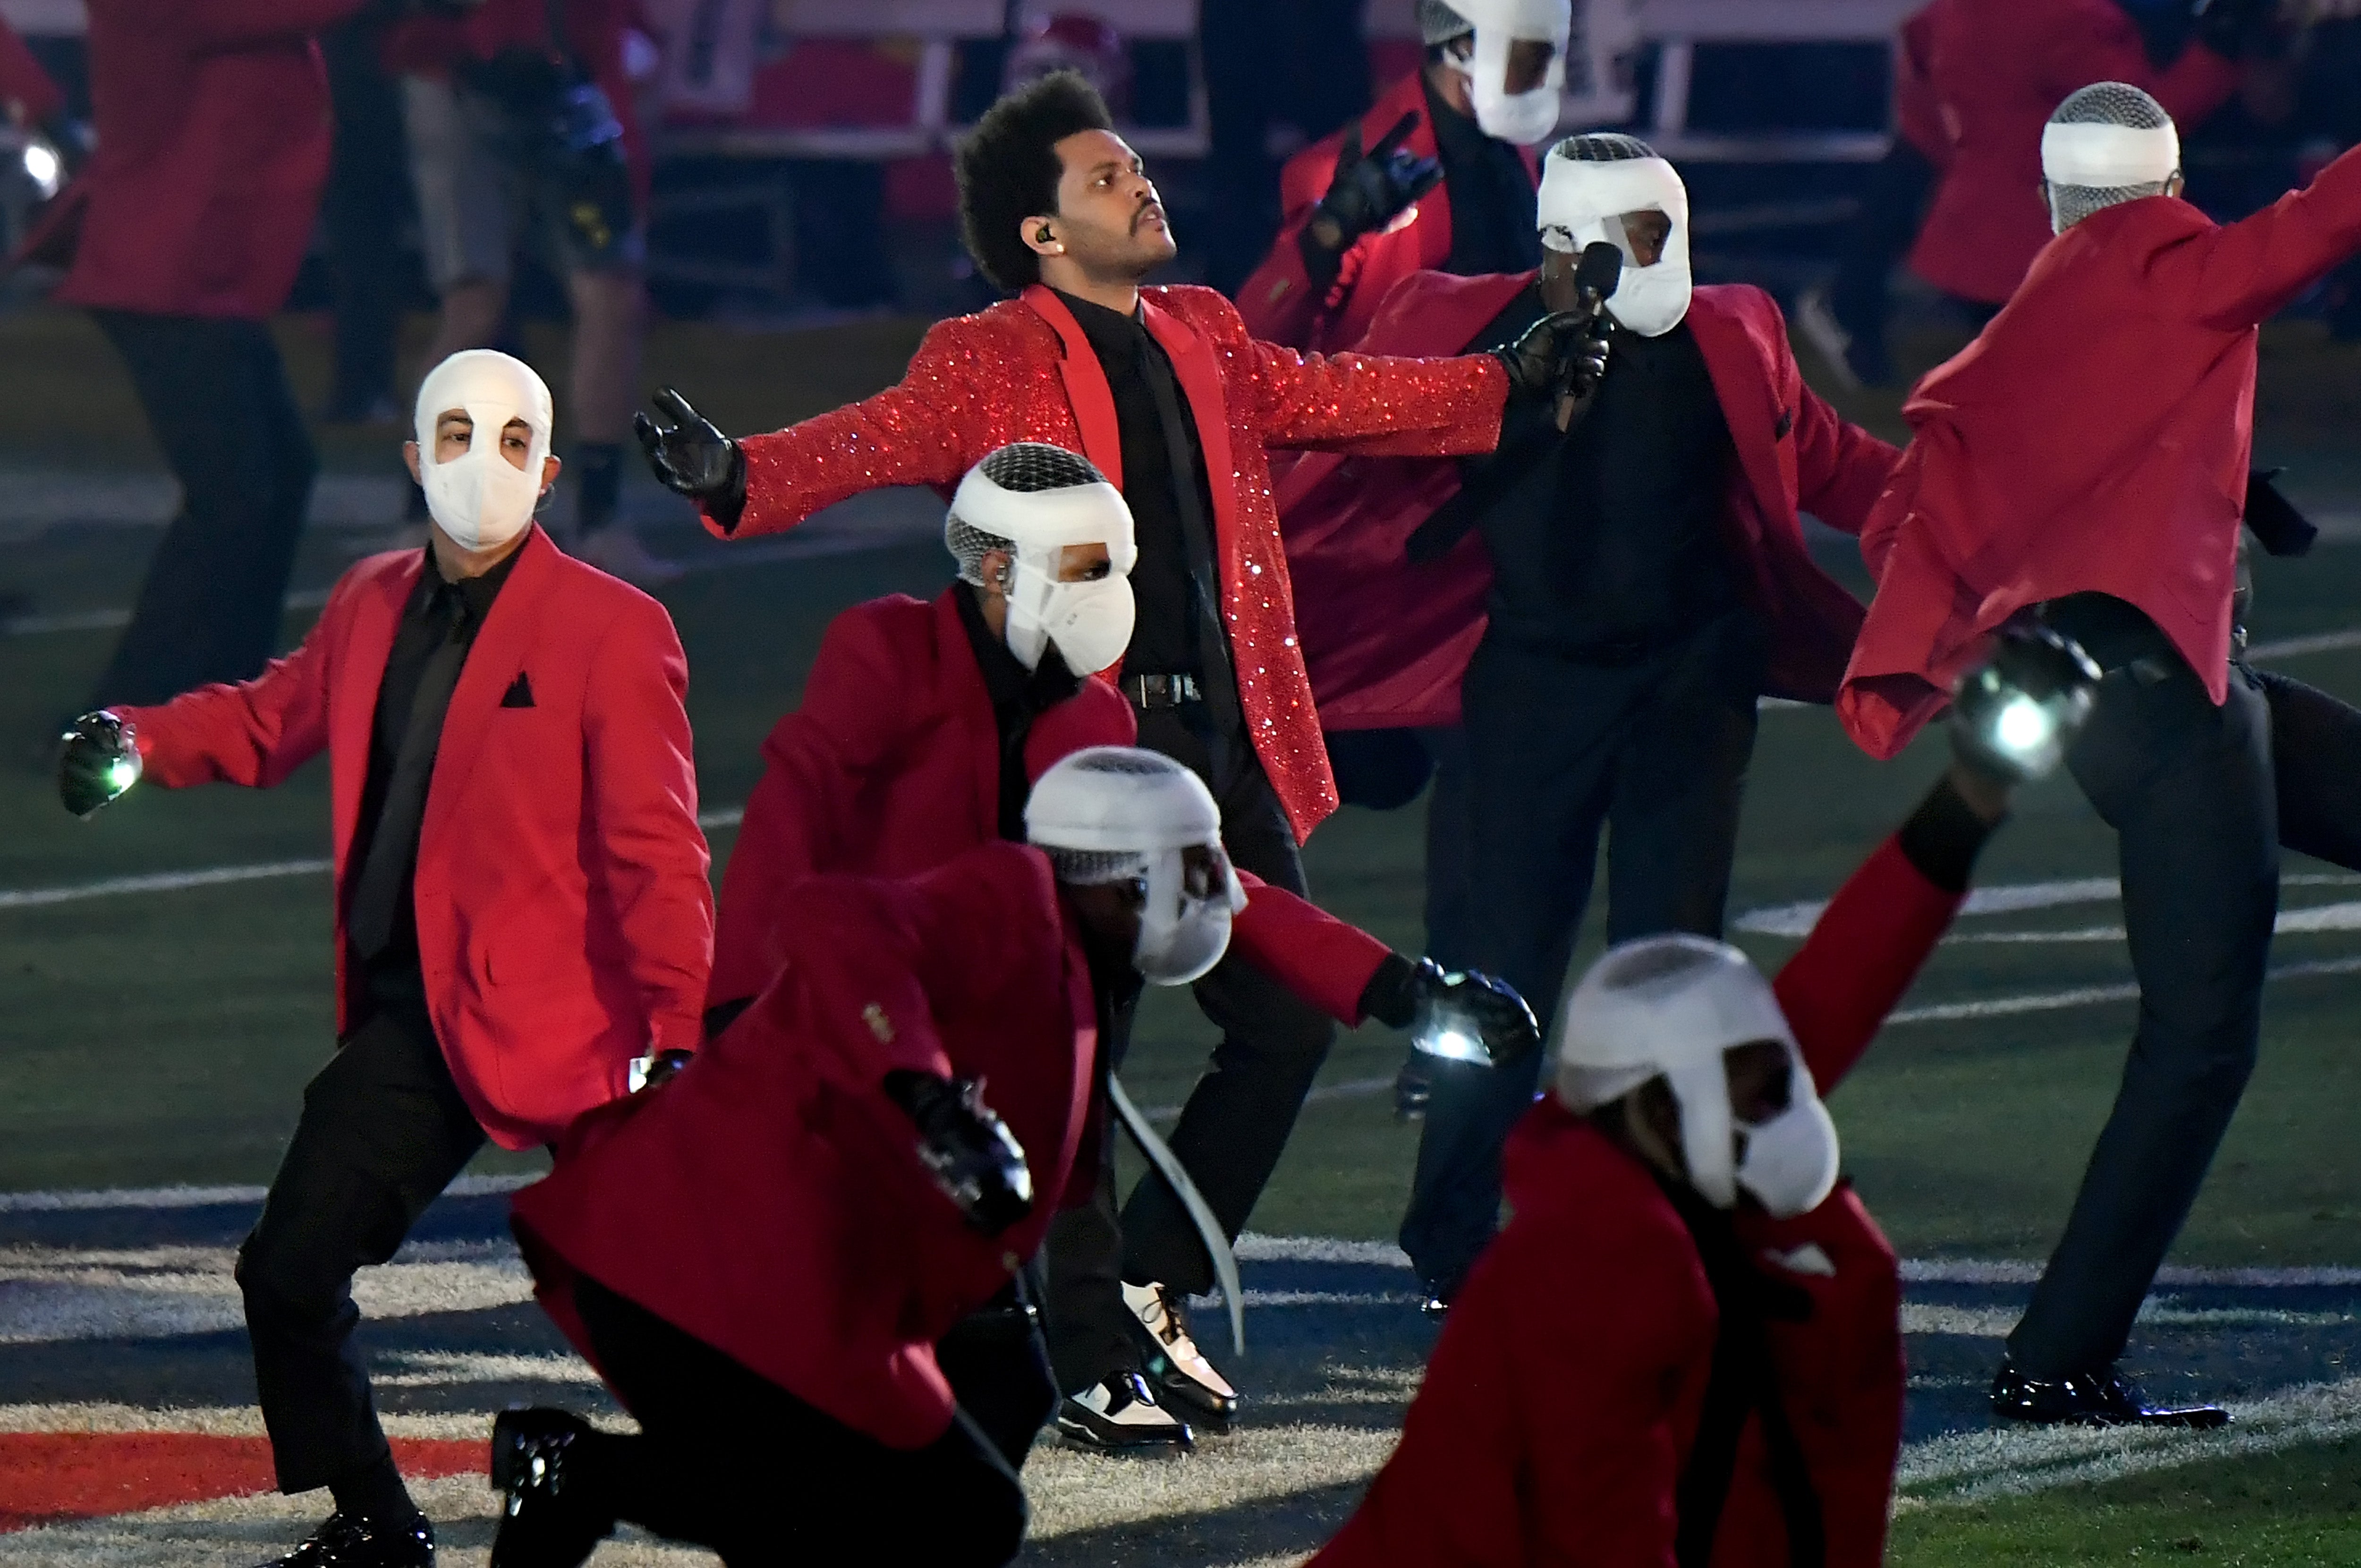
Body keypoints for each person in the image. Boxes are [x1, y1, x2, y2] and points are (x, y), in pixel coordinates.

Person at [634, 70, 1589, 1416]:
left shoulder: (1200, 329)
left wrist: (1499, 381)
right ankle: (1082, 1350)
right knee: (1078, 1056)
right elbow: (879, 438)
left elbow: (1336, 393)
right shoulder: (983, 358)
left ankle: (1145, 1284)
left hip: (1229, 736)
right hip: (1080, 749)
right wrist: (741, 473)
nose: (1143, 186)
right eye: (1107, 178)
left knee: (1284, 1027)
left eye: (1136, 167)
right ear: (1041, 233)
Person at [490, 745, 1533, 1561]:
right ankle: (582, 1476)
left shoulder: (1085, 942)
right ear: (1108, 881)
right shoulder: (1004, 897)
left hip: (835, 1265)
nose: (1216, 894)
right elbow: (836, 917)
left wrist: (1410, 987)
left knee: (972, 1495)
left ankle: (584, 1473)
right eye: (1188, 872)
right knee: (822, 1516)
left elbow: (1256, 912)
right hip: (700, 1255)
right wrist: (927, 1094)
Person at [710, 444, 1539, 1451]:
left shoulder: (1093, 709)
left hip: (991, 1006)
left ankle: (1085, 1348)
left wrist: (1399, 985)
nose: (1114, 595)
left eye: (1120, 566)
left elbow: (1206, 876)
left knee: (1069, 1047)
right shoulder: (885, 649)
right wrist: (735, 1009)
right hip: (862, 998)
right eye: (1087, 566)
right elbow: (794, 816)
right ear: (997, 568)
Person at [55, 350, 713, 1568]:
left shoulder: (614, 627)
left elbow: (654, 849)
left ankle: (816, 1491)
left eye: (514, 441)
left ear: (551, 470)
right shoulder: (369, 598)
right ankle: (372, 1514)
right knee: (291, 1267)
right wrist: (137, 737)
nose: (484, 461)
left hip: (580, 1024)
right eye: (456, 433)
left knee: (684, 1303)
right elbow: (270, 716)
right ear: (412, 458)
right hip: (421, 1022)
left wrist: (675, 1038)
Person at [1308, 630, 2098, 1568]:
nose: (1785, 1098)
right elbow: (1597, 1526)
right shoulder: (1606, 1262)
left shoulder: (1677, 1161)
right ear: (1652, 1107)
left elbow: (1837, 986)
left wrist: (1971, 796)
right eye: (1752, 1083)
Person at [1276, 132, 1901, 1307]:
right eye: (1639, 235)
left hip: (1691, 683)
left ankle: (1669, 1233)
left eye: (1670, 233)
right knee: (1502, 966)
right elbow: (1320, 417)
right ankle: (1451, 1238)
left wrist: (1983, 517)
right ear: (1561, 245)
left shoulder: (1737, 327)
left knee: (1677, 961)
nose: (1662, 261)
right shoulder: (1454, 327)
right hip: (1537, 683)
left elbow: (1831, 460)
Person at [1839, 85, 2361, 1424]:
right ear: (2169, 187)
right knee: (2200, 1040)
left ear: (2057, 200)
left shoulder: (2038, 306)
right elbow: (2320, 220)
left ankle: (2061, 1344)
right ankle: (2056, 1354)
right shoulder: (2167, 267)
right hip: (2167, 699)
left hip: (2129, 691)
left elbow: (1920, 501)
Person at [17, 0, 358, 710]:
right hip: (162, 264)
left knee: (273, 475)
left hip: (191, 260)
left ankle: (225, 694)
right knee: (236, 492)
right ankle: (132, 713)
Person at [1802, 0, 2271, 378]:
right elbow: (2143, 121)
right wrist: (2216, 51)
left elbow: (1926, 125)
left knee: (2011, 399)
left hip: (1975, 238)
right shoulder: (2069, 21)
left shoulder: (1954, 15)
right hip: (2046, 237)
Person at [380, 0, 674, 582]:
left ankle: (598, 516)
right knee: (475, 303)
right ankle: (423, 510)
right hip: (463, 71)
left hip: (564, 76)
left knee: (610, 295)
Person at [1239, 0, 1566, 356]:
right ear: (1463, 47)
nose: (1552, 76)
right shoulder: (1340, 169)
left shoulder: (1516, 151)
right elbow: (1255, 340)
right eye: (1532, 55)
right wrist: (1327, 235)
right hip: (1403, 402)